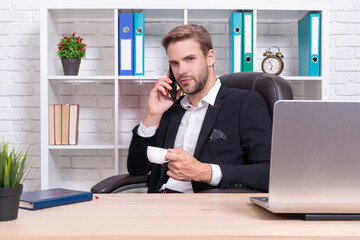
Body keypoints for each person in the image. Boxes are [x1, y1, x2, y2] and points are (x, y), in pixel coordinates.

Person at [127, 24, 272, 193]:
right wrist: (152, 115)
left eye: (190, 59)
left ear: (210, 57)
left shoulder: (245, 103)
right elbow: (137, 170)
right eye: (174, 63)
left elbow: (269, 173)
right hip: (161, 204)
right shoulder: (172, 109)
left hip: (207, 209)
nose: (181, 71)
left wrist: (205, 172)